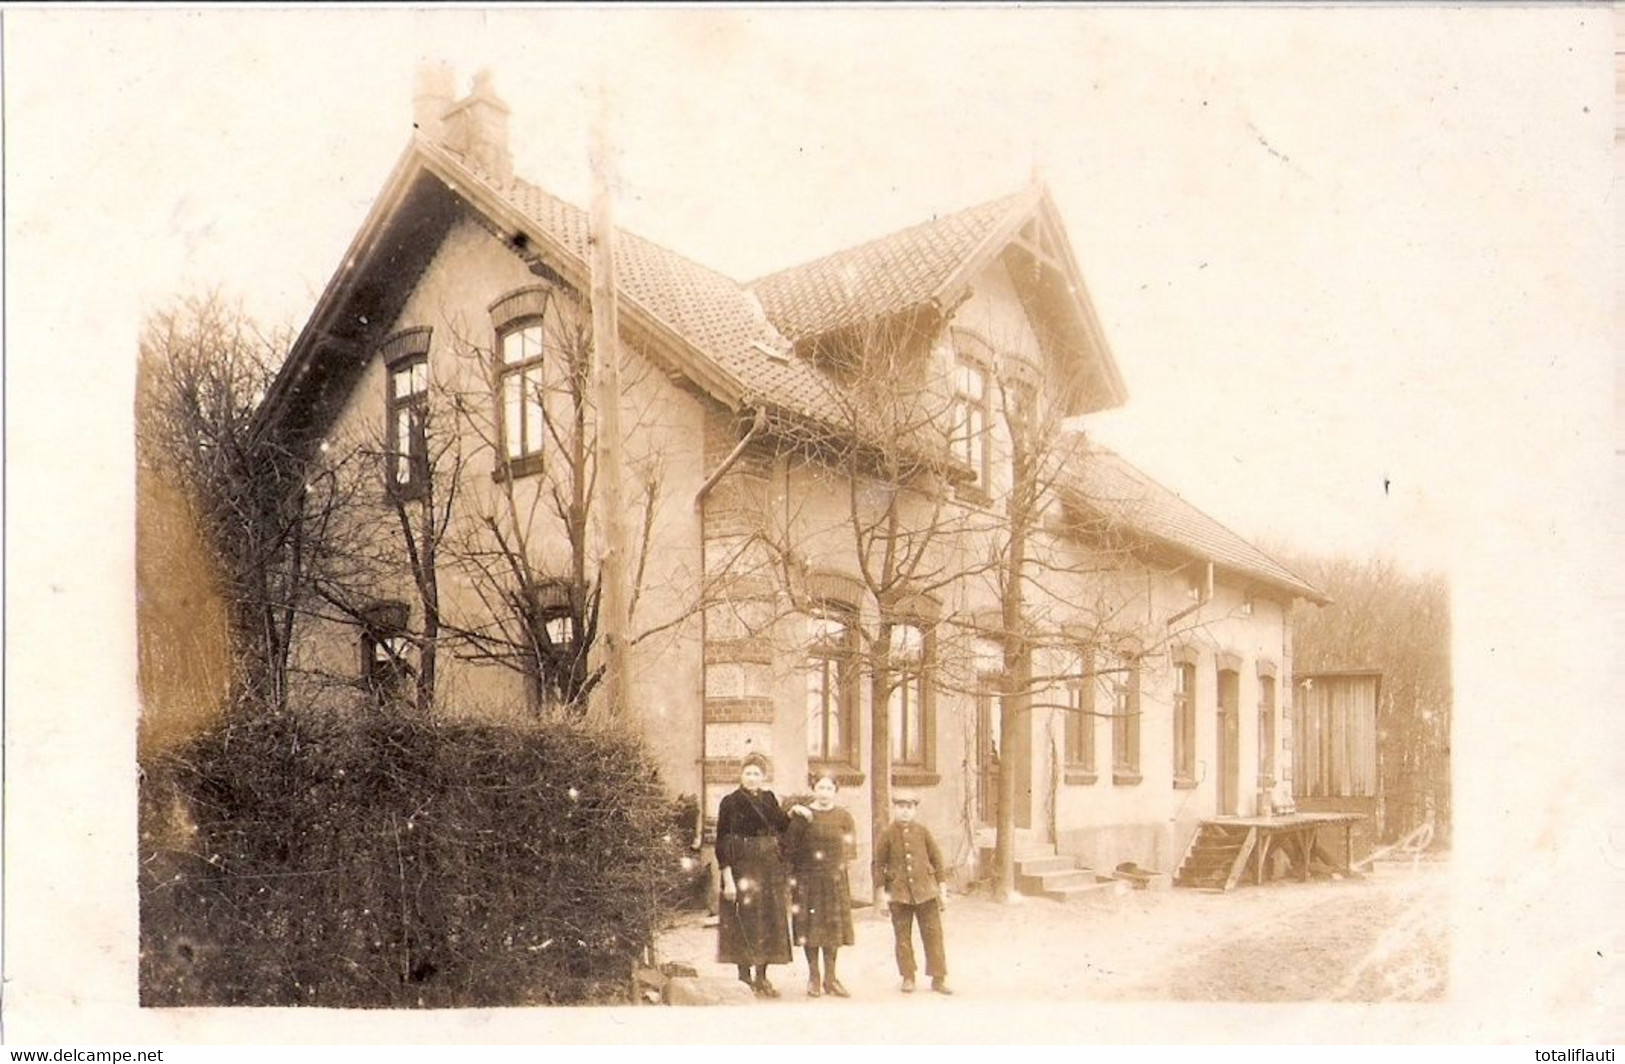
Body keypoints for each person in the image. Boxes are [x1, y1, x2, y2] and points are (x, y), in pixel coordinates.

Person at [715, 752, 806, 997]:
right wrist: (727, 878)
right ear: (741, 775)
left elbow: (782, 825)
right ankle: (744, 979)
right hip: (741, 867)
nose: (752, 778)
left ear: (763, 777)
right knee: (742, 921)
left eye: (757, 773)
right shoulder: (730, 802)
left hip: (768, 870)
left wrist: (794, 810)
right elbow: (721, 841)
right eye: (748, 773)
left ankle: (762, 978)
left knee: (766, 921)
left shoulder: (768, 799)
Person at [782, 772, 857, 998]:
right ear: (813, 789)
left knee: (833, 929)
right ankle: (814, 977)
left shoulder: (844, 817)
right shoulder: (802, 816)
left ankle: (831, 979)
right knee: (810, 928)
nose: (824, 793)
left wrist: (840, 871)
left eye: (829, 788)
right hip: (808, 880)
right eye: (820, 788)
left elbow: (849, 851)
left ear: (835, 791)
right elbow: (789, 849)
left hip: (834, 881)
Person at [873, 791, 953, 995]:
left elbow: (937, 860)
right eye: (900, 807)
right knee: (902, 937)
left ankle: (938, 977)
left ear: (915, 810)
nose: (905, 812)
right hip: (899, 894)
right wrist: (881, 894)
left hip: (926, 892)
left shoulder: (923, 832)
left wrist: (942, 889)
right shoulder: (887, 834)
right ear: (895, 809)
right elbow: (878, 865)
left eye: (909, 807)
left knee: (933, 934)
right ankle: (908, 976)